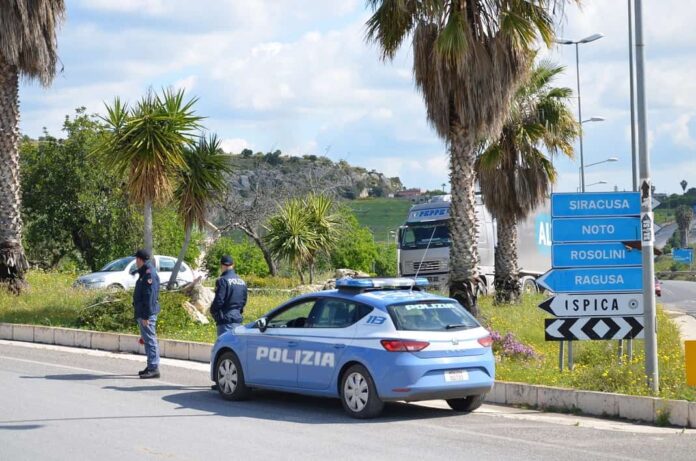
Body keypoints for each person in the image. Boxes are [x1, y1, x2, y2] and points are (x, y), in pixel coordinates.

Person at [133, 249, 161, 379]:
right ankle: (150, 365)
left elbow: (149, 296)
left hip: (147, 314)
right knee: (147, 340)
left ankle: (154, 367)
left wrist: (145, 316)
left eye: (136, 259)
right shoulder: (144, 272)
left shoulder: (149, 274)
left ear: (139, 259)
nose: (135, 262)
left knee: (150, 340)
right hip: (144, 312)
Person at [210, 255, 247, 337]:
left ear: (222, 265)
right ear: (233, 265)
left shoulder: (222, 280)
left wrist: (213, 311)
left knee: (224, 346)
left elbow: (219, 300)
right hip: (237, 319)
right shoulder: (241, 281)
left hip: (225, 320)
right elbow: (244, 301)